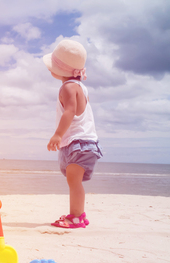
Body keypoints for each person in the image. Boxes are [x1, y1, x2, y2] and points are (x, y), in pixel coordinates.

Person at [43, 39, 103, 228]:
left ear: (62, 70)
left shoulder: (67, 87)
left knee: (74, 182)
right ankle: (79, 214)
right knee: (74, 181)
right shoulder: (80, 87)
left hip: (78, 143)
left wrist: (58, 134)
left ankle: (76, 217)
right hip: (85, 143)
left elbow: (70, 111)